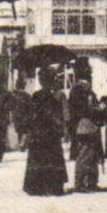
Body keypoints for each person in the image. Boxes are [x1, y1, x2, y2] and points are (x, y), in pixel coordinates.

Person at [23, 67, 68, 196]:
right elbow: (60, 115)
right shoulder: (56, 95)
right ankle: (53, 187)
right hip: (51, 131)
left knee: (39, 159)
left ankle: (38, 187)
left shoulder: (37, 95)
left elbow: (31, 113)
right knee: (52, 159)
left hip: (39, 132)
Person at [67, 59, 104, 191]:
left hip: (91, 126)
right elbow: (80, 109)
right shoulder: (78, 89)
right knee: (84, 155)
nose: (90, 73)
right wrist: (97, 109)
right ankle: (80, 183)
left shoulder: (88, 90)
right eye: (87, 71)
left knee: (93, 155)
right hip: (83, 126)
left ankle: (91, 182)